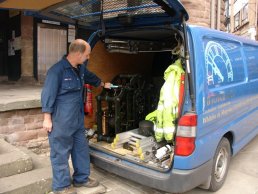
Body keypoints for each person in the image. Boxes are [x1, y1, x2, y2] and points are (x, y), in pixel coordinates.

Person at [41, 39, 111, 194]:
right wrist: (47, 119)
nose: (88, 57)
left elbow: (91, 77)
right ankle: (61, 187)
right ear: (78, 54)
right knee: (60, 153)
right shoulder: (57, 71)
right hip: (61, 121)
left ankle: (81, 179)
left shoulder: (80, 69)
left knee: (81, 149)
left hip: (77, 120)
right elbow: (47, 94)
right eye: (87, 54)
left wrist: (103, 84)